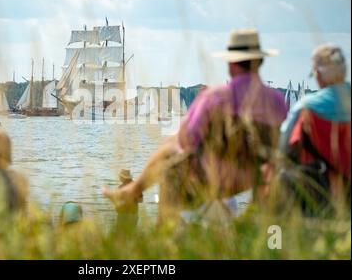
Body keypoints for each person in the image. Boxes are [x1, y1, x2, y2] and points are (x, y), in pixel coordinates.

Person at [103, 29, 287, 222]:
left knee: (171, 150)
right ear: (260, 62)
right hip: (250, 182)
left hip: (210, 183)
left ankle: (149, 212)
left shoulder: (215, 98)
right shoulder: (277, 101)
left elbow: (186, 141)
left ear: (231, 64)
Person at [278, 44, 351, 216]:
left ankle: (276, 241)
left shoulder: (306, 108)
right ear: (344, 71)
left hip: (317, 197)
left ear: (318, 75)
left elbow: (283, 149)